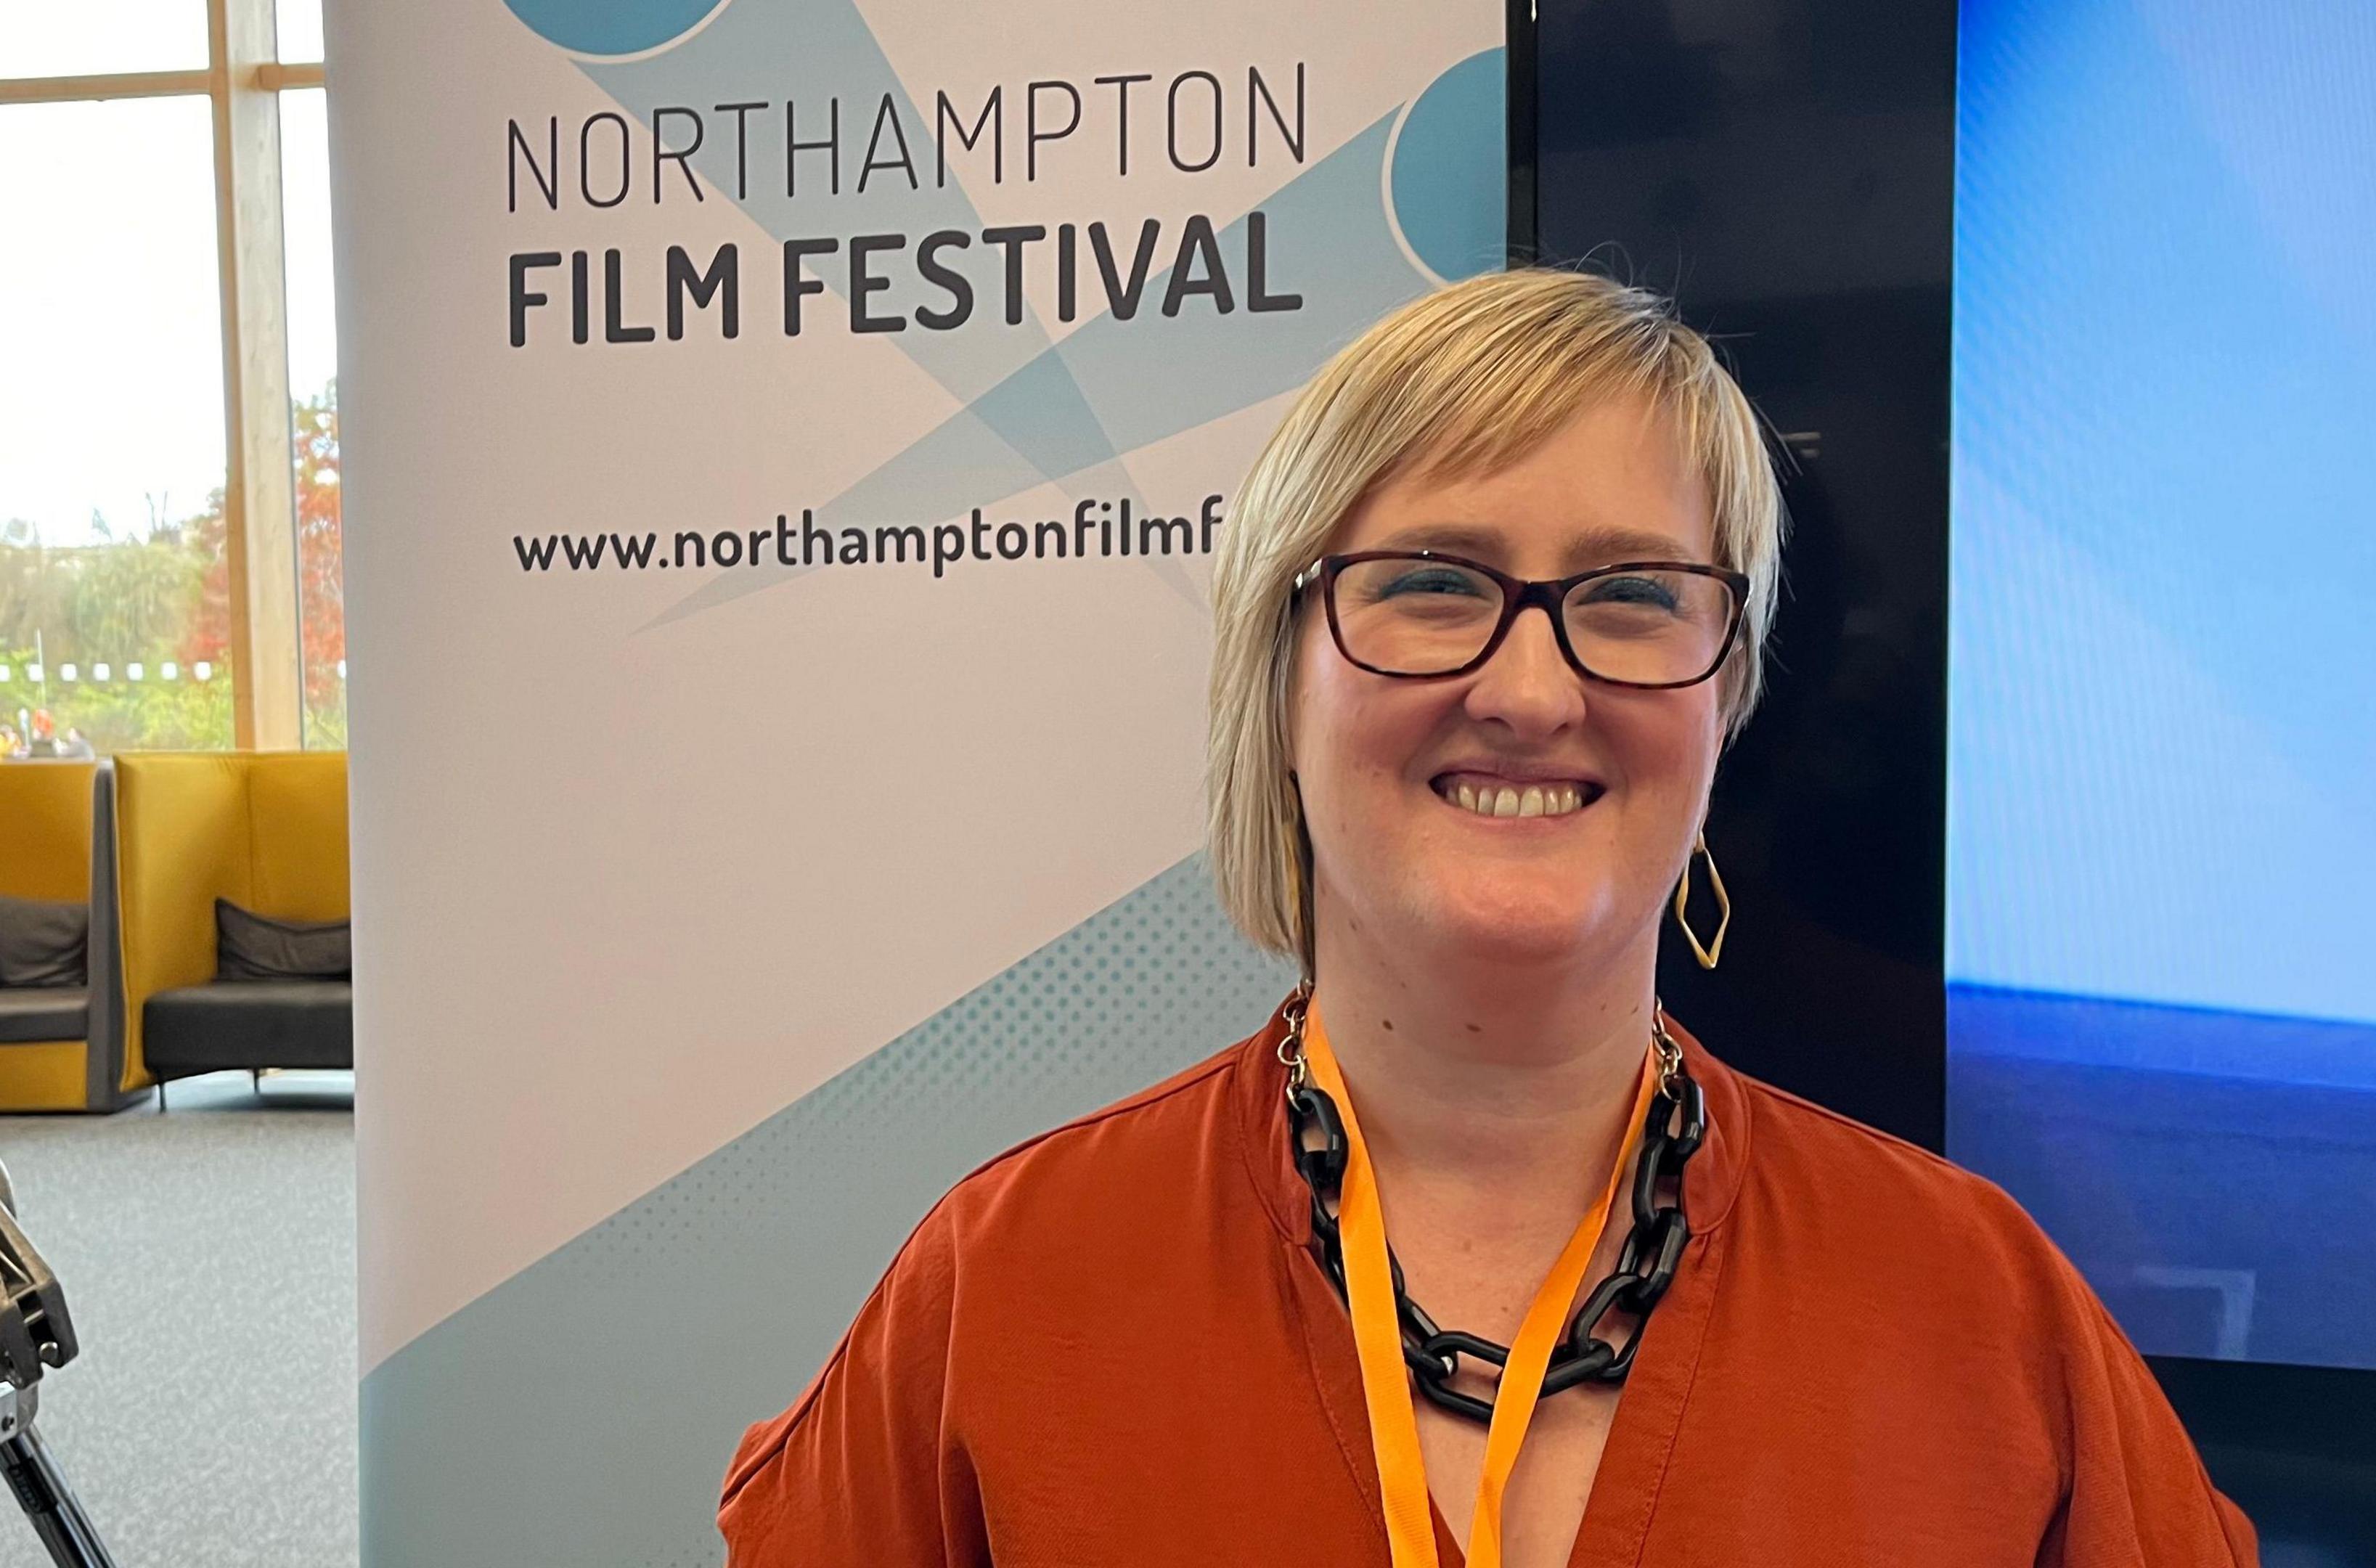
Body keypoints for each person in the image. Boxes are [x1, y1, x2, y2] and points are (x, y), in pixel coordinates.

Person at [717, 269, 2257, 1567]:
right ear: (1280, 666)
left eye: (1638, 595)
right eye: (1434, 583)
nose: (1532, 690)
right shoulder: (1012, 1284)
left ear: (1728, 697)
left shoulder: (1978, 1307)